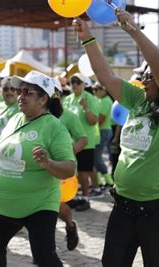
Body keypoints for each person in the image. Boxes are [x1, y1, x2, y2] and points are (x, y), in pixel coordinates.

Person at [73, 9, 159, 266]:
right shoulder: (139, 99)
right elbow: (106, 76)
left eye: (147, 75)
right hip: (124, 205)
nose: (143, 79)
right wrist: (88, 39)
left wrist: (133, 30)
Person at [0, 70, 76, 267]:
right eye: (20, 91)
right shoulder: (16, 118)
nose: (20, 96)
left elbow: (69, 168)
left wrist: (49, 163)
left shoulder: (55, 128)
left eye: (27, 92)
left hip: (39, 205)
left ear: (42, 99)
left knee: (43, 257)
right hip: (6, 204)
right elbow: (0, 145)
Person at [53, 78, 87, 251]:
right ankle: (43, 248)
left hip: (63, 168)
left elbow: (83, 138)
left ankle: (70, 225)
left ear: (59, 94)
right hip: (41, 167)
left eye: (54, 92)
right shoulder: (36, 116)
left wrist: (70, 152)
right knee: (42, 207)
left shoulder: (69, 116)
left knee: (57, 203)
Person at [63, 73, 101, 211]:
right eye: (71, 82)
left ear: (84, 84)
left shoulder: (89, 98)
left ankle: (85, 198)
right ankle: (73, 196)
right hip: (70, 143)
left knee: (84, 172)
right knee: (73, 172)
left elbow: (94, 121)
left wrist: (85, 108)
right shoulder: (67, 99)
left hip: (86, 142)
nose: (74, 85)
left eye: (77, 82)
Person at [92, 82, 114, 188]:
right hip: (103, 130)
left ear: (103, 90)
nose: (95, 91)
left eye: (97, 89)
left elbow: (101, 119)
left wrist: (93, 130)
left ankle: (109, 181)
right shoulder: (101, 100)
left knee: (96, 157)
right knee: (96, 157)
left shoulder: (105, 101)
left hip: (103, 130)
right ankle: (100, 181)